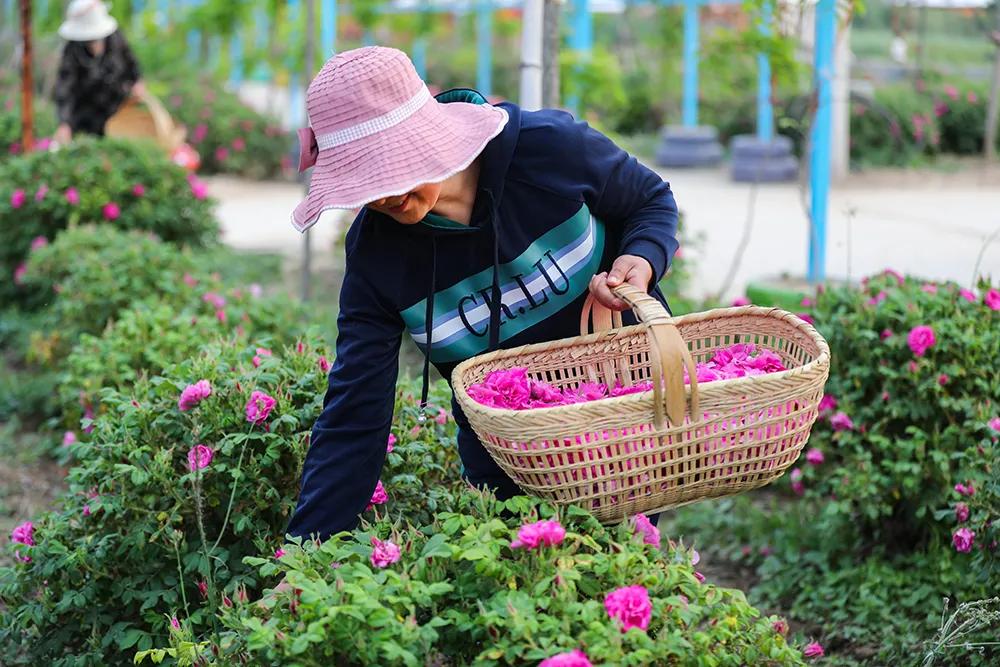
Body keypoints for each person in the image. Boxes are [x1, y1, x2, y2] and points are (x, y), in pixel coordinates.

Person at [285, 46, 679, 543]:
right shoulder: (375, 254)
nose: (382, 196)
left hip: (625, 422)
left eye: (391, 171)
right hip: (506, 462)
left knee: (622, 571)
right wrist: (305, 553)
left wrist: (639, 262)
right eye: (366, 182)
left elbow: (649, 199)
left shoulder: (547, 150)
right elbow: (355, 414)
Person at [53, 0, 146, 144]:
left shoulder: (116, 39)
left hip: (116, 108)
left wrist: (137, 82)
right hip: (85, 113)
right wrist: (64, 123)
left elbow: (131, 63)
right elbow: (65, 87)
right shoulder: (73, 50)